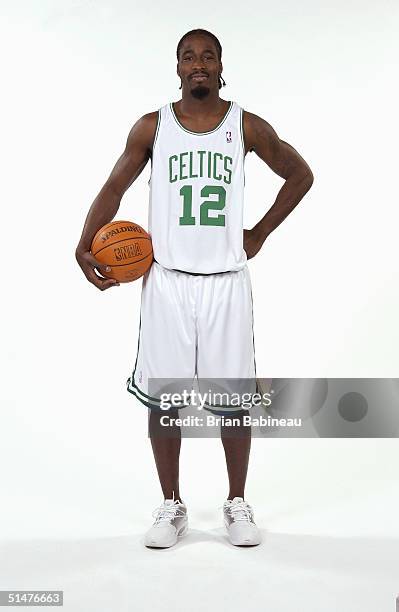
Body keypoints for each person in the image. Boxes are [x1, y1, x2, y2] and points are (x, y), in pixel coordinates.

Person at [76, 28, 314, 548]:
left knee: (233, 401)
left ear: (221, 65)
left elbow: (300, 174)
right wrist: (83, 242)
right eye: (189, 57)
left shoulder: (246, 125)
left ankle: (236, 501)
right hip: (167, 281)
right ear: (178, 67)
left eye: (208, 56)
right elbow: (115, 187)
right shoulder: (152, 127)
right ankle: (171, 504)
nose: (198, 64)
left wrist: (261, 232)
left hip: (227, 281)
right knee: (165, 402)